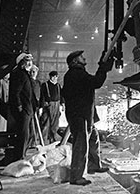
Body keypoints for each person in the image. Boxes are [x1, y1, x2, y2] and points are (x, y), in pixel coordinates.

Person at [61, 50, 114, 186]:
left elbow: (92, 83)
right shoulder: (75, 74)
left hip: (84, 114)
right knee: (81, 145)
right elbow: (96, 82)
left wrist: (103, 66)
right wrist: (103, 67)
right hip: (80, 116)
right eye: (81, 57)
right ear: (74, 61)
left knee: (93, 138)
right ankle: (76, 177)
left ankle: (93, 165)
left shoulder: (77, 73)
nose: (84, 58)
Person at [6, 52, 36, 162]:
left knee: (29, 135)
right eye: (27, 61)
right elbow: (16, 92)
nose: (29, 63)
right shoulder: (20, 74)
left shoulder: (26, 75)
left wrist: (33, 78)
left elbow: (32, 91)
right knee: (23, 135)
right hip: (24, 110)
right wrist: (19, 106)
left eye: (30, 61)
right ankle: (19, 158)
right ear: (21, 63)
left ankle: (22, 156)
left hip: (28, 109)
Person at [40, 70, 64, 144]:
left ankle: (53, 138)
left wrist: (63, 104)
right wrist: (42, 105)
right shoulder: (45, 85)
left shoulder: (58, 85)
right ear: (50, 77)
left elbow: (61, 95)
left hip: (57, 105)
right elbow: (42, 96)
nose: (54, 78)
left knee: (55, 123)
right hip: (48, 105)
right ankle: (44, 140)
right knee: (46, 122)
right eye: (53, 76)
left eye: (56, 77)